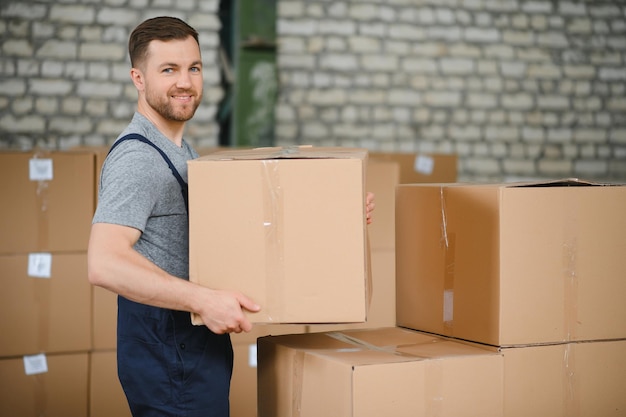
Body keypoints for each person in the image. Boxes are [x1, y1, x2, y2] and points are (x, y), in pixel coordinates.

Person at [87, 16, 375, 417]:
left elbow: (244, 230)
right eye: (168, 69)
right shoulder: (138, 159)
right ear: (138, 77)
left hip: (190, 347)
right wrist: (203, 300)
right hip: (170, 353)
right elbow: (103, 262)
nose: (185, 81)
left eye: (194, 67)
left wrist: (334, 215)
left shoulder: (182, 151)